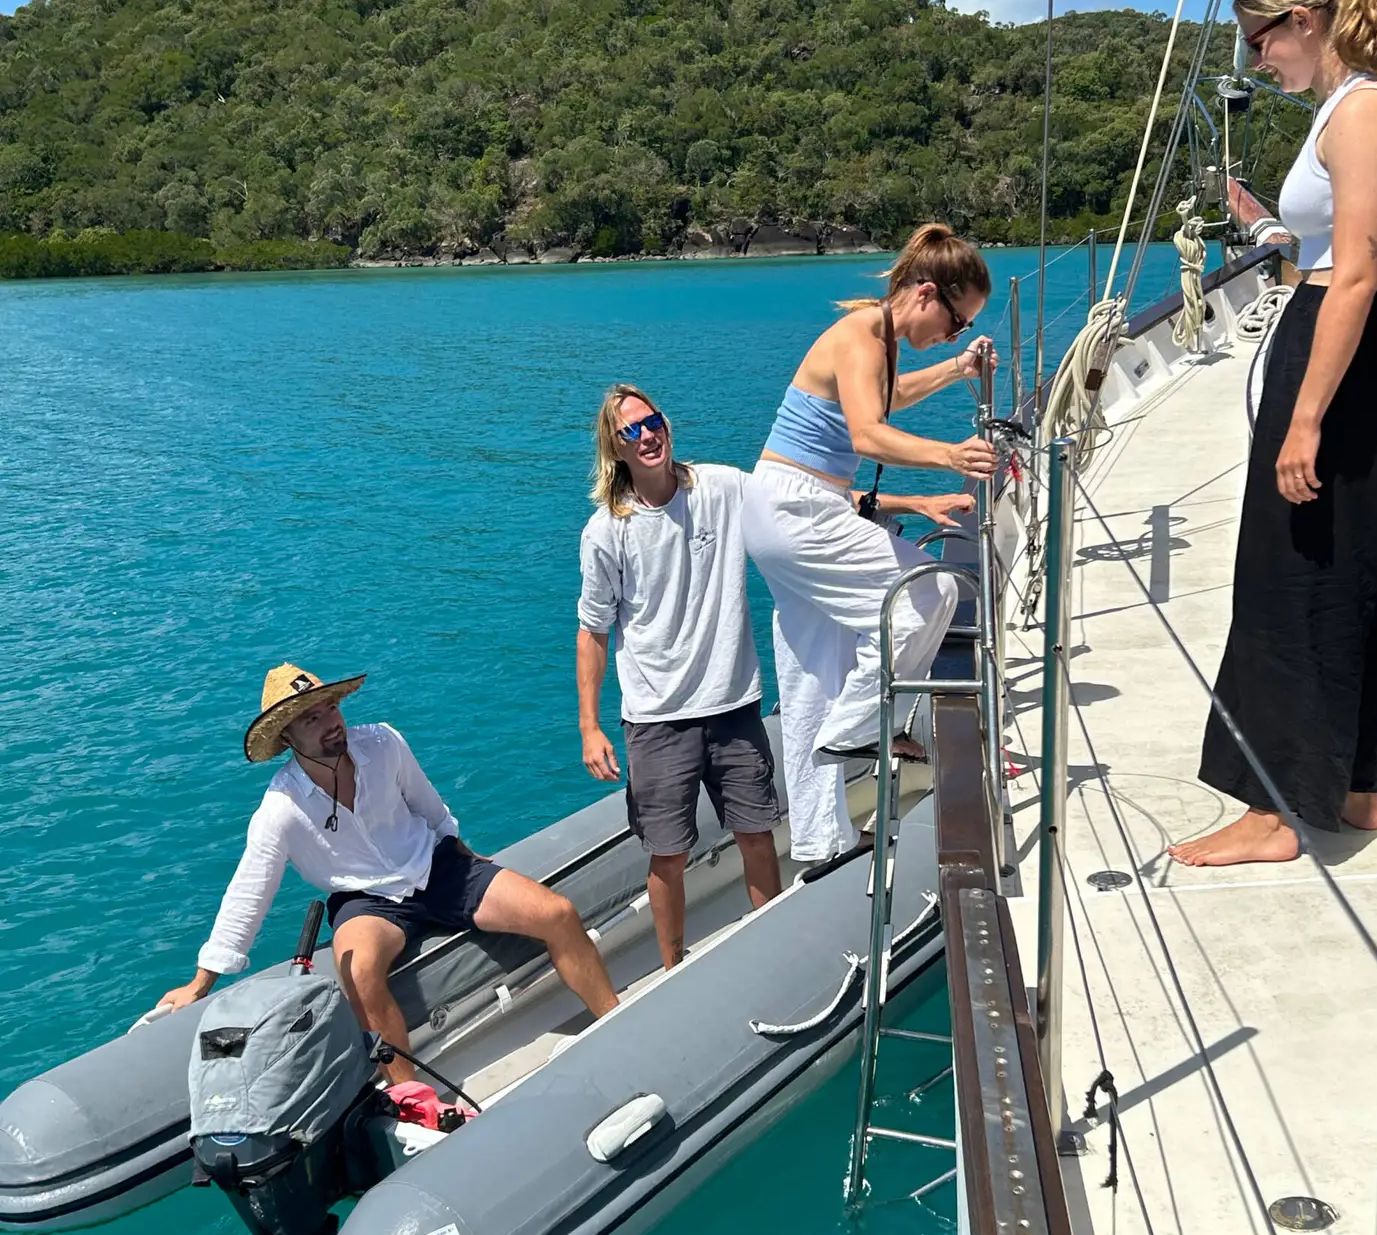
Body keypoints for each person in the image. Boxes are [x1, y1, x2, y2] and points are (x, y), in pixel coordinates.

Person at [1170, 0, 1377, 867]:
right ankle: (1361, 786)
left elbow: (1354, 271)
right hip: (1368, 351)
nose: (1256, 62)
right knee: (1355, 571)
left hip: (1344, 351)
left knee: (1287, 579)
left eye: (1257, 41)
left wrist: (1307, 416)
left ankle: (1273, 810)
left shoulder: (1361, 110)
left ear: (1302, 22)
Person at [157, 665, 619, 1079]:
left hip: (435, 866)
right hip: (366, 901)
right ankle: (413, 1097)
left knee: (556, 912)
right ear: (288, 739)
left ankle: (616, 1022)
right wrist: (202, 982)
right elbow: (248, 893)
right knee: (357, 974)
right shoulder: (281, 808)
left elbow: (431, 808)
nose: (331, 722)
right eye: (311, 718)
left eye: (330, 707)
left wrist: (463, 854)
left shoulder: (383, 743)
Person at [742, 223, 999, 863]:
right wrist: (950, 455)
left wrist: (956, 368)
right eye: (956, 323)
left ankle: (820, 838)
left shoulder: (874, 340)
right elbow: (868, 433)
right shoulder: (862, 336)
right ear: (925, 294)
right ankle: (859, 730)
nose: (953, 334)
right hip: (799, 508)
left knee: (811, 675)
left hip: (784, 509)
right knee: (929, 593)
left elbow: (888, 398)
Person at [578, 387, 781, 968]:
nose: (647, 436)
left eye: (653, 422)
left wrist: (903, 503)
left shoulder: (720, 487)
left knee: (757, 832)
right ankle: (674, 968)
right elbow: (592, 633)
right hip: (656, 719)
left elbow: (798, 502)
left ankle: (772, 941)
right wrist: (590, 727)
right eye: (630, 432)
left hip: (733, 704)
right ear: (613, 449)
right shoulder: (605, 532)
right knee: (667, 855)